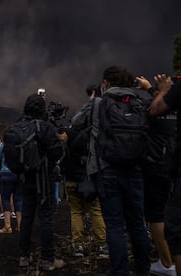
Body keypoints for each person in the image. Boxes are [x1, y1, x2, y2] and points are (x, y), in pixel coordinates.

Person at [91, 66, 151, 275]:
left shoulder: (100, 103)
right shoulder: (139, 102)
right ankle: (144, 269)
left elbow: (95, 138)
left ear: (106, 82)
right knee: (137, 224)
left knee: (115, 226)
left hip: (109, 170)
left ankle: (121, 271)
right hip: (135, 170)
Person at [18, 94, 65, 271]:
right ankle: (48, 259)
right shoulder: (45, 128)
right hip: (44, 180)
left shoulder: (18, 127)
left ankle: (23, 256)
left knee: (27, 217)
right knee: (45, 218)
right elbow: (57, 154)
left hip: (25, 179)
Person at [64, 85, 107, 258]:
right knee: (96, 211)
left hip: (71, 179)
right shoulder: (94, 135)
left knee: (76, 212)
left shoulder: (68, 134)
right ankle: (103, 246)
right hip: (89, 179)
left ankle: (78, 247)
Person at [149, 74, 181, 276]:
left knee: (179, 239)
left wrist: (163, 90)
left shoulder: (180, 88)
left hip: (178, 173)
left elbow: (155, 109)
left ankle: (167, 263)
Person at [0, 137, 22, 234]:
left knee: (5, 198)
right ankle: (20, 226)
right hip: (18, 173)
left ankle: (7, 226)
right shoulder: (20, 143)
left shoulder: (4, 144)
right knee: (18, 198)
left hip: (6, 173)